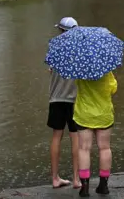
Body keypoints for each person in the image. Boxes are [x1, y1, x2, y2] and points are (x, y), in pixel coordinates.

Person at [47, 17, 81, 189]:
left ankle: (55, 178)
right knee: (76, 138)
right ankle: (76, 179)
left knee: (56, 137)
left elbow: (50, 68)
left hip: (56, 98)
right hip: (75, 100)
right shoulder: (81, 50)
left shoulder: (53, 46)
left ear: (61, 30)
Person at [75, 72, 117, 197]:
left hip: (84, 114)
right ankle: (103, 185)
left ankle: (85, 186)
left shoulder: (80, 70)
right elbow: (113, 88)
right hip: (104, 115)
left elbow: (77, 86)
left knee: (84, 149)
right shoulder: (106, 71)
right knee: (104, 147)